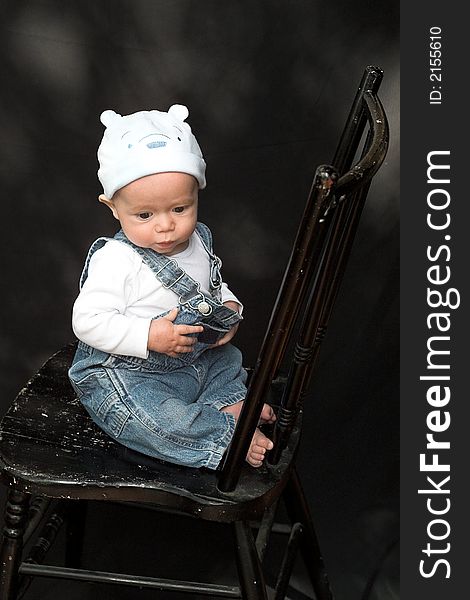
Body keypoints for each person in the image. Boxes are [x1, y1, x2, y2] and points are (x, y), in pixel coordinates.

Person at [68, 104, 275, 470]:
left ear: (197, 194)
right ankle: (226, 435)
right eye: (145, 215)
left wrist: (229, 306)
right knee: (149, 418)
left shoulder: (198, 239)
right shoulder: (117, 259)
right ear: (113, 207)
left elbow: (211, 282)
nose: (165, 226)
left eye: (180, 208)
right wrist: (148, 334)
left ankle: (224, 398)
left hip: (192, 360)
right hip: (131, 374)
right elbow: (87, 321)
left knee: (225, 360)